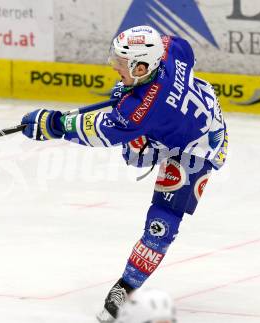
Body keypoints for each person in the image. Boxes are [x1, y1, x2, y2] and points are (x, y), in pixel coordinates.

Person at [20, 25, 228, 323]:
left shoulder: (139, 111)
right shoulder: (173, 49)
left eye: (121, 63)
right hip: (193, 113)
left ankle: (126, 287)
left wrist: (52, 124)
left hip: (197, 148)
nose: (114, 66)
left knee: (162, 222)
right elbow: (178, 56)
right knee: (134, 152)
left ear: (142, 66)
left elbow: (100, 132)